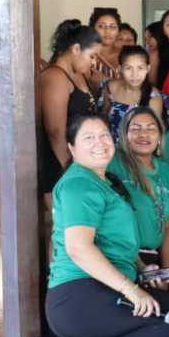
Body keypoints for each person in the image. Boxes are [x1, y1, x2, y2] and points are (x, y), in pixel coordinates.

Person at [33, 114, 169, 337]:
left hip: (102, 289)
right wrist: (131, 290)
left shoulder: (107, 182)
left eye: (104, 135)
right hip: (79, 296)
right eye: (88, 138)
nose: (99, 143)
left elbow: (117, 243)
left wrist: (142, 269)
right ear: (71, 148)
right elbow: (79, 248)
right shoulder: (78, 185)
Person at [106, 107, 169, 329]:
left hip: (154, 256)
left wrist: (166, 272)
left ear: (160, 135)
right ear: (124, 134)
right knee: (166, 317)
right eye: (136, 129)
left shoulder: (167, 170)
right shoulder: (113, 164)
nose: (144, 134)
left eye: (151, 128)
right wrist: (142, 267)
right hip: (124, 256)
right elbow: (110, 226)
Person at [39, 20, 102, 202]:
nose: (94, 62)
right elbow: (55, 131)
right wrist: (71, 168)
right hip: (61, 162)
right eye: (92, 56)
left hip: (79, 159)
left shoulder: (79, 73)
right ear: (75, 49)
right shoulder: (55, 77)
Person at [99, 45, 165, 140]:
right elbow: (103, 119)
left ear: (148, 69)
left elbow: (153, 134)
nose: (135, 74)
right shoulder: (110, 88)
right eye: (128, 68)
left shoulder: (154, 98)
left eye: (140, 68)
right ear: (120, 69)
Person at [87, 7, 123, 86]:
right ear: (93, 28)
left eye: (112, 27)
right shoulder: (86, 56)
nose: (107, 31)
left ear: (118, 30)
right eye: (101, 26)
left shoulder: (125, 55)